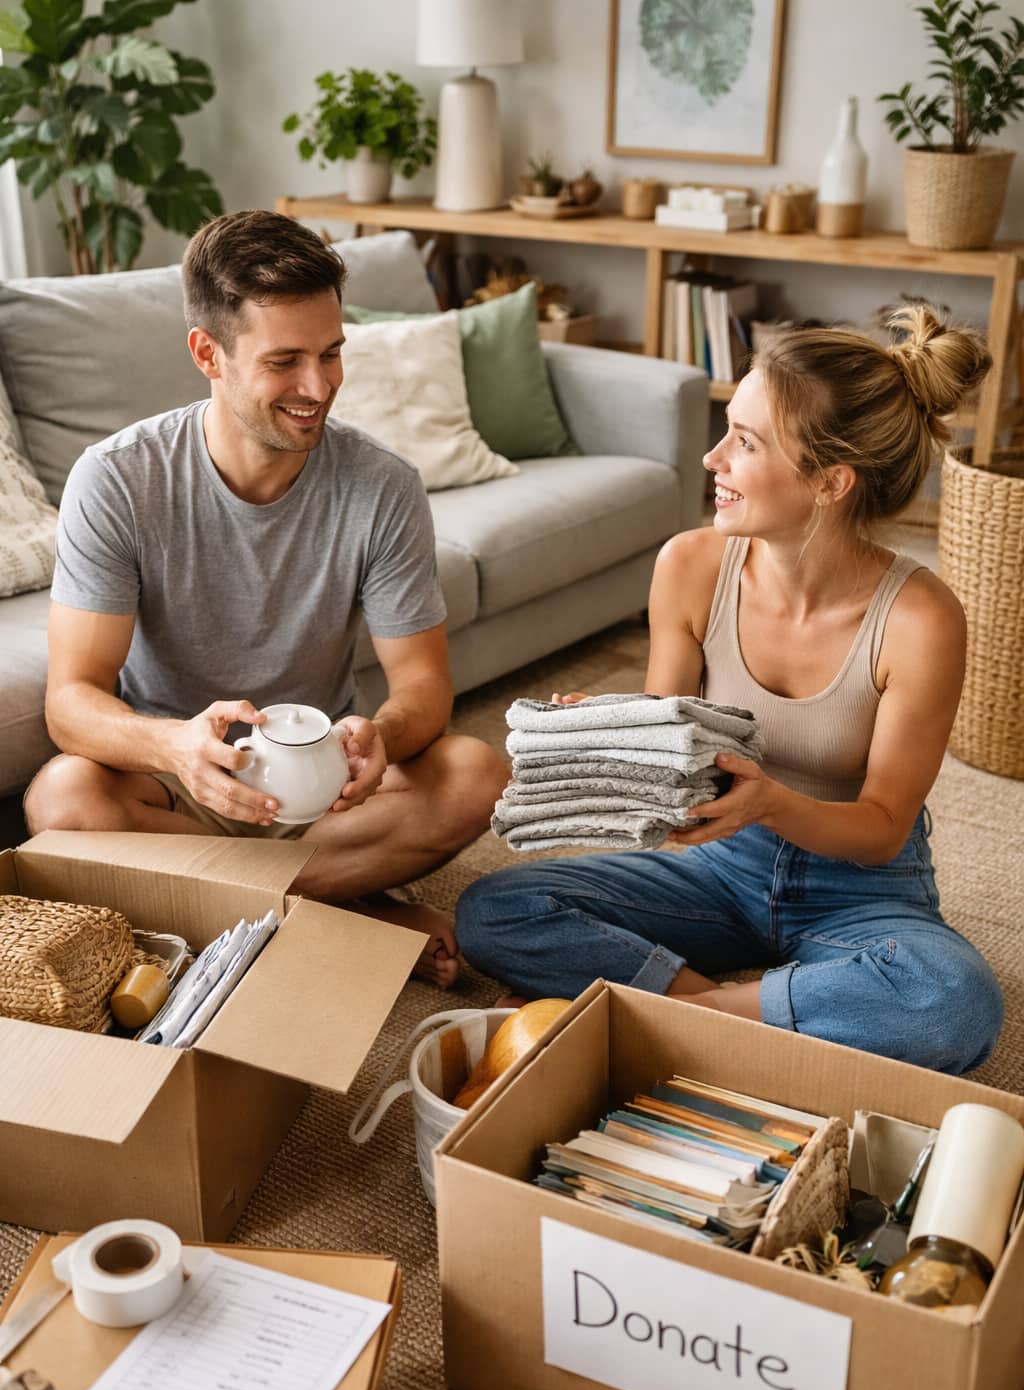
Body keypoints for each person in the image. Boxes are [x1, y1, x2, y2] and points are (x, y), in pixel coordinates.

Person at [456, 307, 1004, 1071]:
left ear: (830, 482)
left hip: (860, 890)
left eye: (745, 442)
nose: (713, 458)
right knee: (495, 909)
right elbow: (667, 740)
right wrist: (609, 727)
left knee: (953, 1000)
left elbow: (883, 826)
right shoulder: (689, 566)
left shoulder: (920, 619)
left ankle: (692, 1017)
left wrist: (770, 802)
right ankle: (748, 1014)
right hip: (715, 867)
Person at [25, 209, 508, 987]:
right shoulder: (118, 480)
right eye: (285, 362)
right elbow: (70, 704)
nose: (319, 388)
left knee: (475, 774)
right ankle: (350, 914)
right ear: (207, 354)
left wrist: (382, 735)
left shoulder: (382, 487)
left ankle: (234, 907)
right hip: (176, 788)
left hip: (326, 792)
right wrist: (176, 747)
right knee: (62, 801)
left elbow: (423, 684)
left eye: (331, 353)